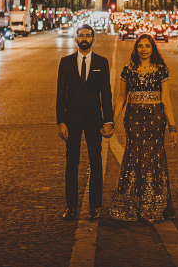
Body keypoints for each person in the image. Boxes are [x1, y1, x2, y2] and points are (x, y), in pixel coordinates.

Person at [108, 33, 178, 223]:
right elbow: (121, 98)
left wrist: (172, 127)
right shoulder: (127, 71)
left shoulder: (161, 71)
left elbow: (166, 101)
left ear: (152, 49)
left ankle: (152, 204)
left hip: (155, 120)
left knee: (153, 156)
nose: (144, 49)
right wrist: (112, 121)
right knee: (133, 156)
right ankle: (130, 203)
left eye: (147, 46)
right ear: (136, 49)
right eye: (140, 46)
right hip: (133, 119)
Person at [56, 24, 114, 220]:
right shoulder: (65, 62)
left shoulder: (102, 62)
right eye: (80, 35)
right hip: (71, 118)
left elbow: (106, 93)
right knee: (71, 163)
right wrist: (60, 121)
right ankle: (71, 206)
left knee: (96, 162)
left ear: (93, 39)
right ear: (75, 39)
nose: (84, 38)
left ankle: (95, 206)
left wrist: (109, 121)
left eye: (88, 35)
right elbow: (60, 94)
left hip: (93, 117)